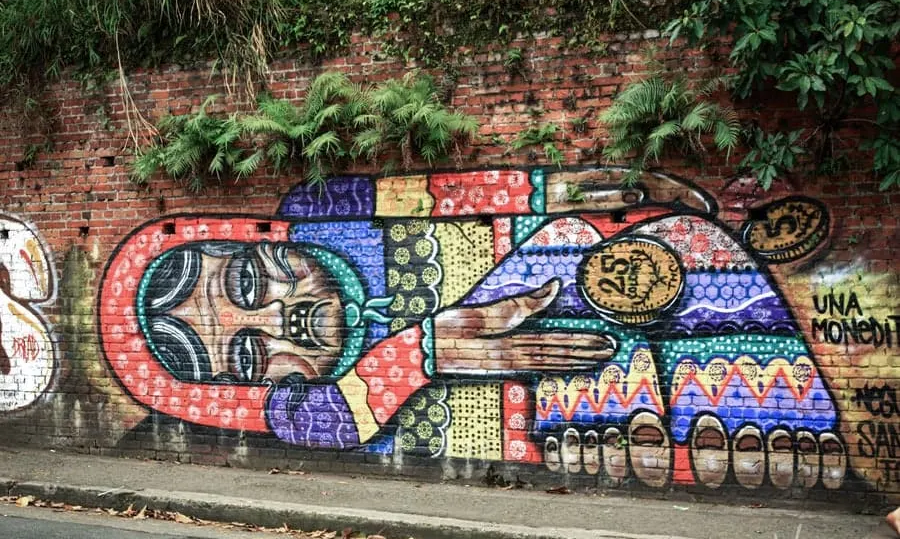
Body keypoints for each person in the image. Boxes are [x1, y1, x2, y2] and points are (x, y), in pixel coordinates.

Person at [99, 166, 845, 490]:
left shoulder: (325, 206)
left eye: (248, 283)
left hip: (563, 290)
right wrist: (425, 350)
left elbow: (453, 194)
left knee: (664, 243)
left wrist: (567, 188)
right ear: (229, 389)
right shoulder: (302, 406)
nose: (277, 320)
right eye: (246, 351)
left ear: (252, 236)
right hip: (525, 426)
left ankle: (756, 394)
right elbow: (329, 423)